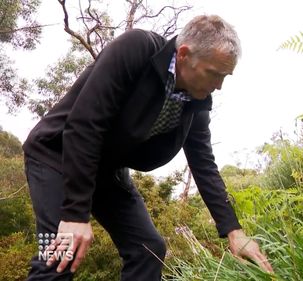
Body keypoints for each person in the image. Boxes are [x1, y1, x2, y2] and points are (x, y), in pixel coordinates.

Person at [23, 14, 274, 280]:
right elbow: (85, 125)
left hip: (106, 169)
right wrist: (75, 213)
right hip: (55, 154)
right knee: (60, 255)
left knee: (148, 250)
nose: (219, 86)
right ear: (185, 54)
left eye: (225, 77)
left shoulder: (196, 102)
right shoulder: (137, 48)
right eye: (214, 74)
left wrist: (234, 230)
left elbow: (203, 163)